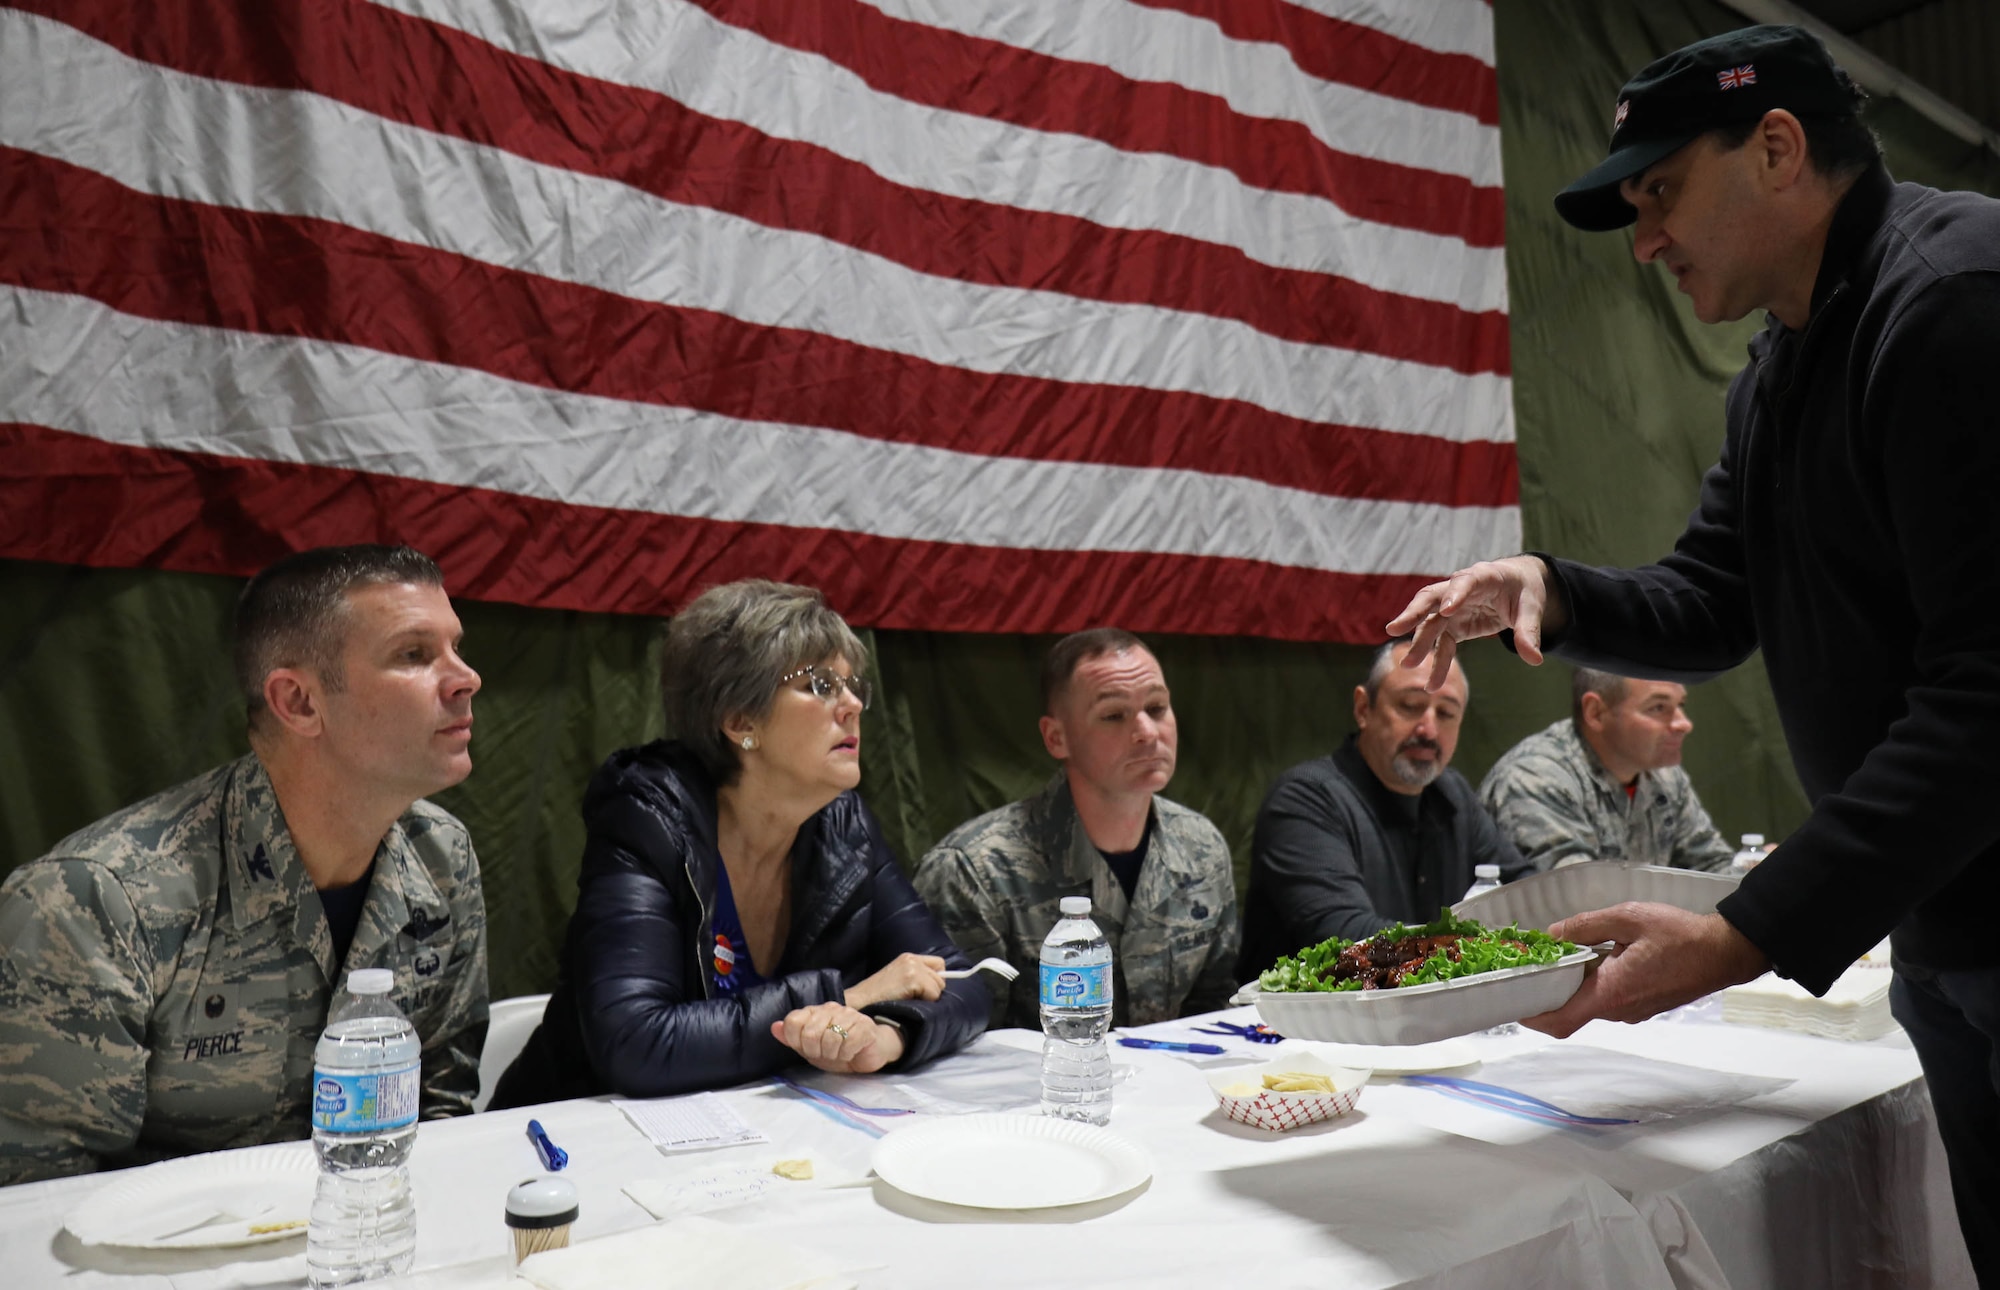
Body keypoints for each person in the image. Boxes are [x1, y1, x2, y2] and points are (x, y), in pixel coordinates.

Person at [1384, 24, 2000, 1278]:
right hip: (1944, 928)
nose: (1645, 238)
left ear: (1775, 147)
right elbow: (1715, 599)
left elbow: (1987, 699)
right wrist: (1547, 591)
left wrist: (1740, 932)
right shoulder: (1774, 366)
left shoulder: (1952, 304)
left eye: (1660, 191)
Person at [0, 545, 490, 1186]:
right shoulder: (93, 902)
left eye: (455, 647)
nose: (466, 678)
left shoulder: (441, 858)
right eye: (414, 654)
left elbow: (439, 1114)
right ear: (300, 703)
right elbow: (31, 1202)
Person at [492, 580, 985, 1106]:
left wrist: (887, 1036)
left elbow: (964, 981)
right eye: (819, 685)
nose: (853, 705)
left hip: (746, 1138)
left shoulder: (843, 826)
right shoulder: (648, 819)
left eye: (852, 685)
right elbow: (636, 1043)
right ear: (739, 720)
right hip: (568, 1143)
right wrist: (853, 996)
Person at [913, 629, 1240, 1030]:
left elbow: (1212, 1010)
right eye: (1114, 715)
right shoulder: (974, 872)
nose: (1147, 732)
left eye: (1156, 708)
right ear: (1056, 737)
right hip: (1041, 1088)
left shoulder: (1202, 848)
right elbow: (955, 1038)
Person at [1236, 639, 1532, 979]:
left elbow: (1526, 894)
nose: (1428, 729)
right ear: (1364, 709)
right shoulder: (1304, 799)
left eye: (1446, 713)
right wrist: (1478, 946)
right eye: (1410, 706)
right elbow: (1350, 935)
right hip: (1299, 1026)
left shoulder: (1453, 795)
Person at [1479, 668, 1734, 872]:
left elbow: (1714, 866)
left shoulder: (1664, 776)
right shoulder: (1536, 777)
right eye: (1658, 708)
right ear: (1596, 712)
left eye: (1681, 705)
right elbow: (1581, 903)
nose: (1683, 724)